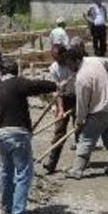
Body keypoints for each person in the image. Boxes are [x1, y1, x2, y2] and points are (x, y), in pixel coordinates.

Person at [0, 61, 57, 214]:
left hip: (0, 134)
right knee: (23, 173)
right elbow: (36, 86)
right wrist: (55, 85)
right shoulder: (16, 83)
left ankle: (6, 207)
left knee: (6, 171)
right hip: (16, 133)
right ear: (16, 72)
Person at [63, 44, 108, 178]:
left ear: (76, 60)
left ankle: (77, 170)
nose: (69, 67)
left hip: (100, 108)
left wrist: (79, 121)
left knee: (86, 138)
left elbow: (82, 104)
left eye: (69, 64)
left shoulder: (82, 78)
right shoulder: (93, 60)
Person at [42, 43, 78, 174]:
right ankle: (52, 163)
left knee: (79, 129)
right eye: (54, 56)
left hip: (78, 97)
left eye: (57, 56)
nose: (55, 59)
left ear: (64, 54)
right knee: (59, 131)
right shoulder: (54, 68)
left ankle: (81, 162)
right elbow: (57, 91)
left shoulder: (73, 63)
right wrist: (61, 109)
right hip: (63, 98)